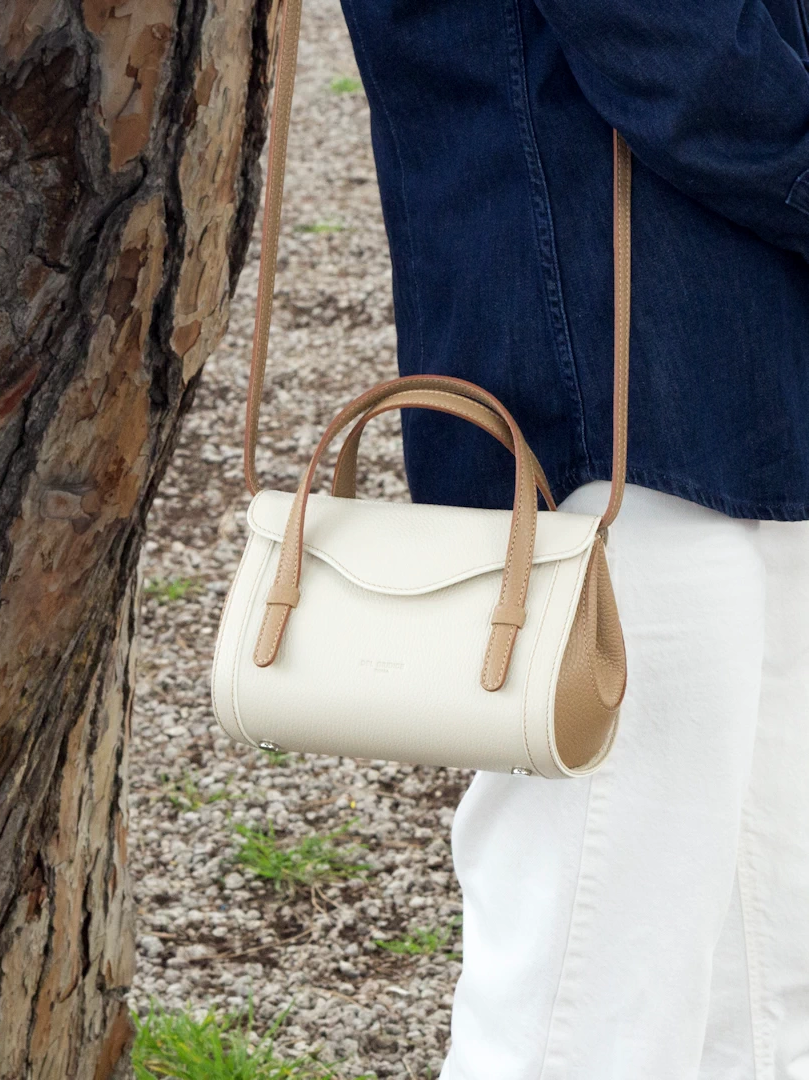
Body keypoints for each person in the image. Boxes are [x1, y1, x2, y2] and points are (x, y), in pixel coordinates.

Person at [336, 0, 809, 1075]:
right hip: (603, 393)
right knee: (590, 984)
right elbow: (676, 52)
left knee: (762, 972)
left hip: (733, 369)